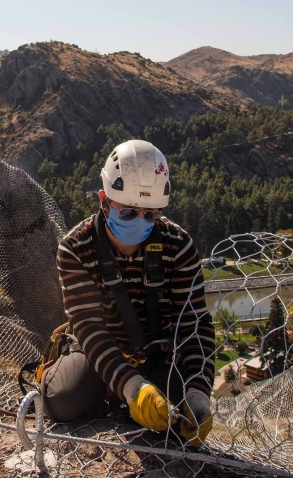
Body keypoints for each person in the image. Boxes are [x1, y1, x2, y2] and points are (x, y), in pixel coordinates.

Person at [47, 140, 215, 447]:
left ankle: (140, 391)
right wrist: (131, 385)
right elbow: (88, 326)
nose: (140, 221)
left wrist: (198, 391)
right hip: (100, 349)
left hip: (158, 352)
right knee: (64, 401)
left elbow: (193, 323)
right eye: (128, 213)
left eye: (150, 214)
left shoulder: (177, 246)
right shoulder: (76, 249)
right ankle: (112, 390)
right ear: (104, 200)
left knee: (180, 416)